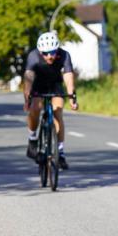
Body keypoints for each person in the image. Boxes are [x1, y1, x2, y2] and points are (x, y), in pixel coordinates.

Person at [22, 32, 78, 168]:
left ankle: (60, 152)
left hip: (55, 84)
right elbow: (28, 79)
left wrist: (72, 96)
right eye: (45, 53)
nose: (49, 56)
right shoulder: (33, 56)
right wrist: (27, 99)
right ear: (41, 52)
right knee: (35, 108)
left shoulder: (64, 55)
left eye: (52, 52)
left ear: (57, 49)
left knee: (58, 112)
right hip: (38, 84)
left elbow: (68, 76)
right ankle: (32, 139)